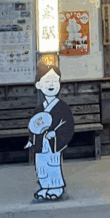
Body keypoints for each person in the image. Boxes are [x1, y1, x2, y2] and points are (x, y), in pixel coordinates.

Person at [25, 61, 74, 201]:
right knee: (41, 165)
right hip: (41, 144)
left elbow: (68, 124)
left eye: (55, 81)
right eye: (47, 81)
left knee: (53, 164)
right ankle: (44, 186)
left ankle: (56, 188)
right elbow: (34, 126)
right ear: (39, 85)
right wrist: (31, 140)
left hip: (53, 144)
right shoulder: (39, 109)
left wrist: (56, 134)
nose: (51, 84)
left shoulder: (62, 107)